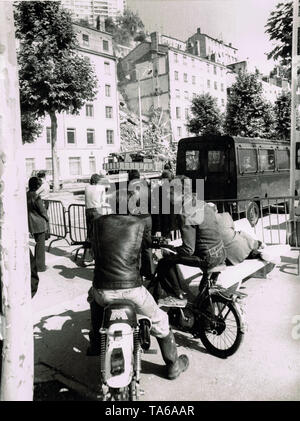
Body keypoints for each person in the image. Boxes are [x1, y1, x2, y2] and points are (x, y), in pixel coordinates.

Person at [86, 189, 189, 380]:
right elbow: (148, 244)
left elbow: (93, 248)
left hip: (102, 290)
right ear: (130, 205)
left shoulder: (97, 223)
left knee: (92, 297)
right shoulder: (138, 223)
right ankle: (173, 365)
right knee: (161, 320)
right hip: (131, 289)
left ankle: (94, 343)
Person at [153, 177, 226, 306]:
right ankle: (203, 314)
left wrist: (166, 252)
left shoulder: (185, 212)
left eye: (170, 193)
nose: (168, 197)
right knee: (203, 296)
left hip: (208, 258)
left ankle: (178, 296)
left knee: (165, 262)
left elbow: (188, 250)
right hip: (220, 253)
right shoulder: (201, 204)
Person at [27, 177, 49, 272]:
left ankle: (36, 263)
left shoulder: (26, 195)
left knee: (37, 244)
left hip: (31, 223)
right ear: (36, 186)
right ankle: (40, 266)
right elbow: (42, 211)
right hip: (39, 223)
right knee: (40, 246)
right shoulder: (36, 197)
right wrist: (47, 218)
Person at [85, 173, 110, 257]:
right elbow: (102, 201)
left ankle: (87, 255)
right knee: (98, 233)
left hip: (88, 210)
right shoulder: (101, 187)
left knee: (90, 233)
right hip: (97, 210)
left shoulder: (87, 187)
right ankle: (97, 255)